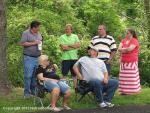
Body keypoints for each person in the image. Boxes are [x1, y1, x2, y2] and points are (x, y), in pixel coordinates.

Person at [19, 21, 42, 98]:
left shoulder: (39, 34)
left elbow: (40, 43)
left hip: (37, 58)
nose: (39, 28)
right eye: (38, 27)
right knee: (28, 76)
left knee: (35, 76)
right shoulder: (26, 33)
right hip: (29, 58)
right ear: (33, 27)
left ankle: (33, 92)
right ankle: (26, 93)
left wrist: (41, 53)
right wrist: (34, 43)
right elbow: (22, 43)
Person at [118, 29, 141, 95]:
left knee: (131, 77)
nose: (126, 34)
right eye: (126, 33)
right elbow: (119, 49)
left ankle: (132, 91)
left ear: (131, 34)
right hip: (123, 61)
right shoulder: (123, 40)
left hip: (132, 62)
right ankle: (124, 92)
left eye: (127, 33)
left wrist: (124, 50)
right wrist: (126, 50)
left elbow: (130, 49)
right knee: (123, 77)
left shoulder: (134, 41)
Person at [59, 24, 80, 89]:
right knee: (64, 74)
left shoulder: (75, 36)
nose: (67, 30)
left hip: (74, 58)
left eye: (68, 29)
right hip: (65, 58)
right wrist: (74, 46)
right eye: (66, 29)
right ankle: (63, 89)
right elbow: (64, 48)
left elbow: (78, 45)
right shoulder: (62, 37)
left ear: (71, 30)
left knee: (75, 74)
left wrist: (68, 45)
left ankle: (76, 89)